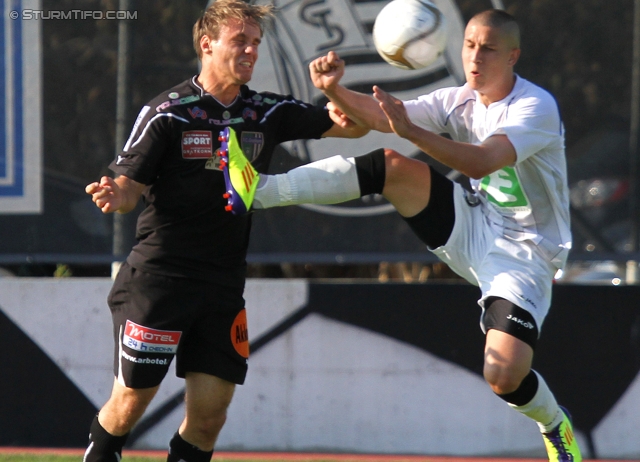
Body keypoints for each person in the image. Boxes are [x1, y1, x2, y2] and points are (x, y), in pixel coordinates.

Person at [221, 9, 581, 462]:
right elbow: (380, 116)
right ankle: (260, 190)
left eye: (488, 48)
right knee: (390, 165)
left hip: (525, 254)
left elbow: (481, 162)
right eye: (469, 44)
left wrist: (410, 129)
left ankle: (553, 423)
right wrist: (334, 89)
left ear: (513, 56)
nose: (475, 56)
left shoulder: (535, 106)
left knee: (503, 374)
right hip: (475, 223)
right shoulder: (459, 99)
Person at [84, 1, 367, 461]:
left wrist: (333, 88)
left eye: (256, 43)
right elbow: (129, 183)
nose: (252, 51)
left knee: (210, 418)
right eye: (241, 41)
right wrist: (116, 194)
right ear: (207, 44)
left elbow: (354, 128)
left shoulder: (266, 111)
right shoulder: (168, 112)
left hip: (221, 284)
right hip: (160, 279)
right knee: (130, 402)